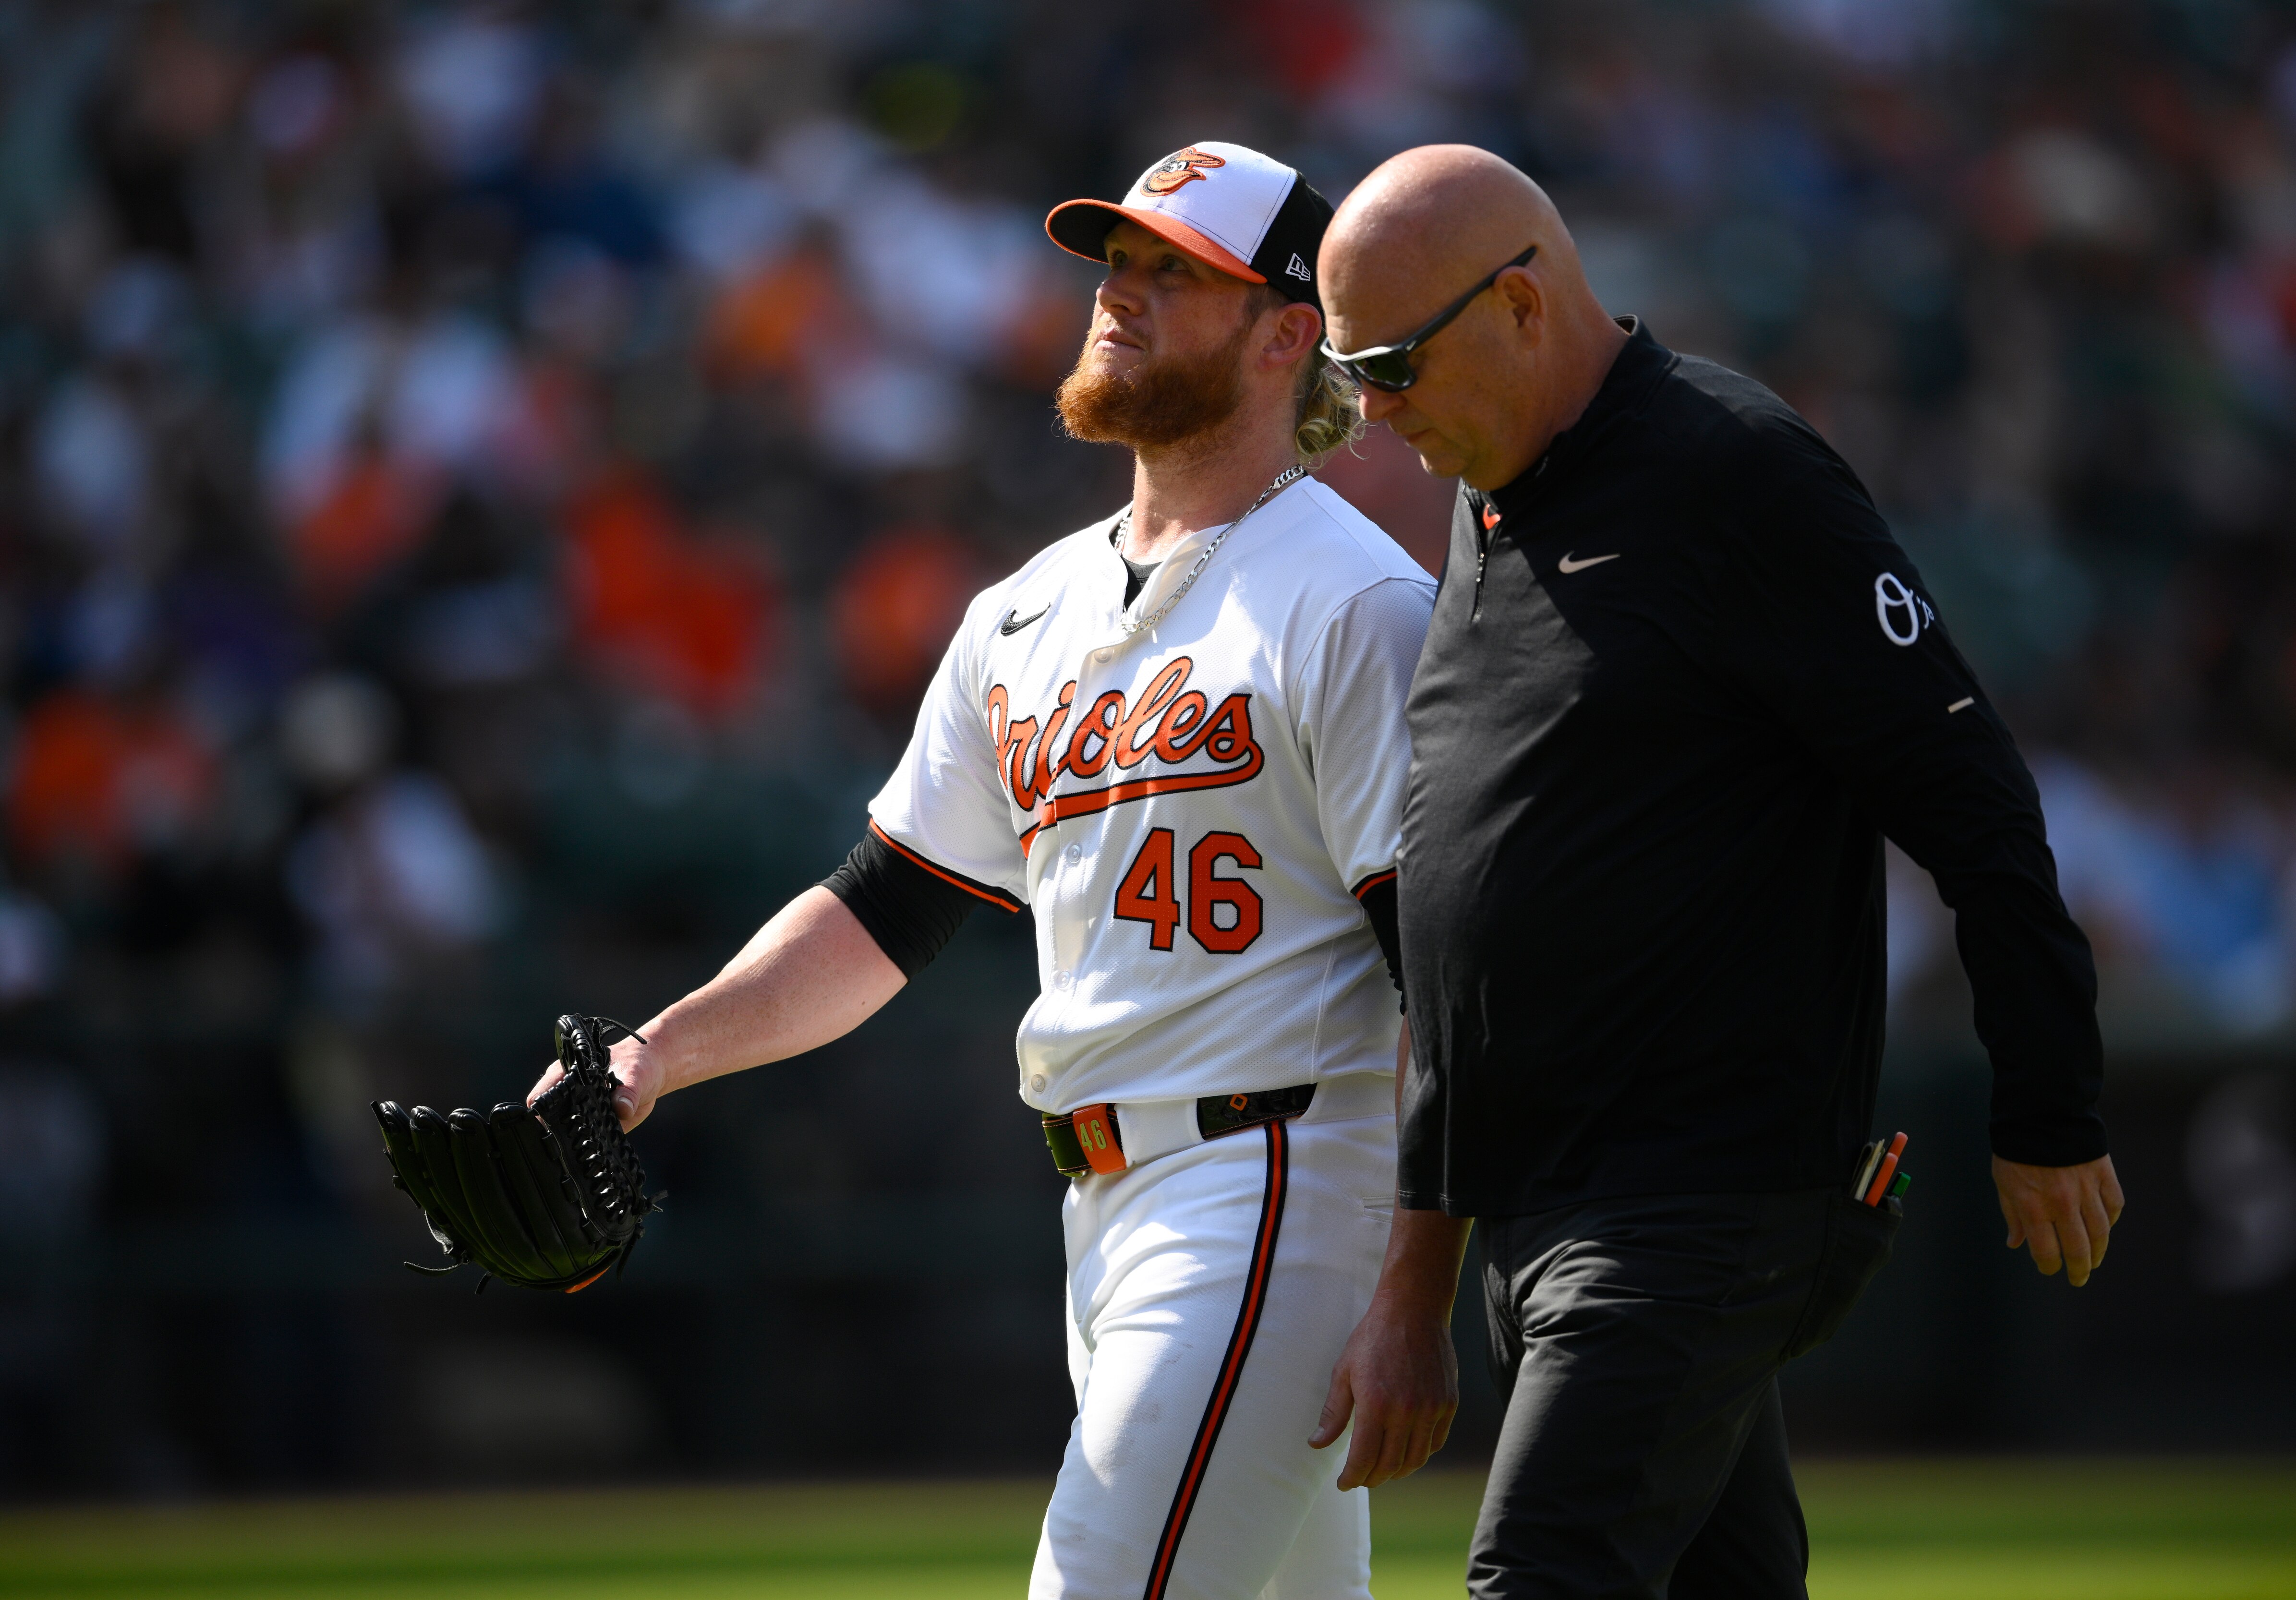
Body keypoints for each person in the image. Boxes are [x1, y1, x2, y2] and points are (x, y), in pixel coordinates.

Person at [531, 140, 1434, 1600]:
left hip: (1281, 1180)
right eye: (1118, 265)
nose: (1121, 298)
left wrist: (1420, 1273)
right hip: (1105, 1205)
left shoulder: (1360, 604)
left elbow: (1441, 976)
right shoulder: (1027, 611)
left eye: (1176, 275)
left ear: (1286, 334)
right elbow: (885, 911)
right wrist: (651, 1058)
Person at [1302, 145, 2128, 1599]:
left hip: (1702, 1192)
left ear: (1520, 304)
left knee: (1543, 1577)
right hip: (1551, 1204)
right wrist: (1417, 1282)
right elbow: (1457, 905)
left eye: (1391, 366)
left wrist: (2048, 1101)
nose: (1373, 415)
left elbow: (1972, 792)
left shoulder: (1737, 471)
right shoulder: (1490, 496)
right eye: (1349, 371)